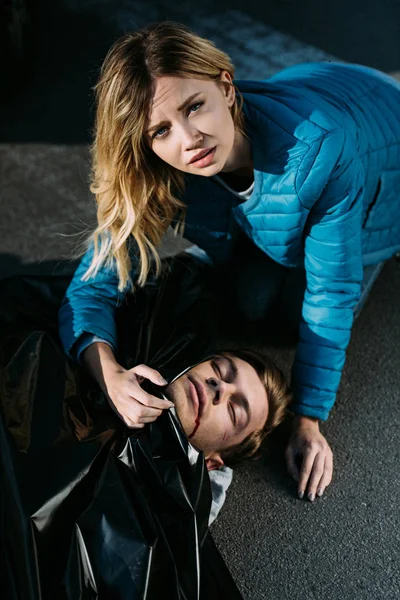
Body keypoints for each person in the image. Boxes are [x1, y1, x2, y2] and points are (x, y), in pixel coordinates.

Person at [59, 21, 400, 504]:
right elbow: (91, 285)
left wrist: (307, 419)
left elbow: (330, 293)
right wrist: (108, 372)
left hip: (381, 154)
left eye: (193, 106)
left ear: (225, 85)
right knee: (248, 299)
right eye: (161, 129)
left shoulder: (322, 156)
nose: (189, 139)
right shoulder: (163, 169)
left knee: (289, 316)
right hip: (319, 104)